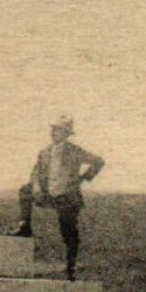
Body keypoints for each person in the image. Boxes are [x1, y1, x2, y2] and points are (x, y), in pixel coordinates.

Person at [18, 114, 104, 279]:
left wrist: (82, 179)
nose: (53, 133)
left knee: (68, 231)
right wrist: (36, 185)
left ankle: (70, 267)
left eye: (57, 130)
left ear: (66, 133)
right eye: (52, 130)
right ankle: (24, 226)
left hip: (67, 197)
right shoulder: (44, 152)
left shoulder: (74, 151)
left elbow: (99, 161)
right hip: (48, 194)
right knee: (24, 191)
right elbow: (35, 171)